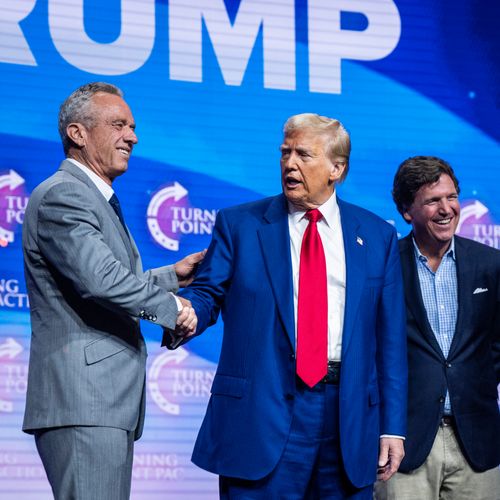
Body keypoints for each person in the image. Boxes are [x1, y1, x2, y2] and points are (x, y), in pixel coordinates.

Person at [171, 113, 407, 498]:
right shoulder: (239, 225)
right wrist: (186, 312)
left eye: (303, 155)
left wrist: (392, 426)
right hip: (260, 413)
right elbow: (207, 293)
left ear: (337, 168)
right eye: (285, 153)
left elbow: (391, 340)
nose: (290, 164)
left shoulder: (377, 236)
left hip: (347, 417)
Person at [22, 82, 202, 499]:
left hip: (101, 403)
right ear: (78, 133)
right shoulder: (64, 195)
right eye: (118, 124)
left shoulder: (94, 197)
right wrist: (174, 308)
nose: (132, 137)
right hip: (83, 401)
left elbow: (100, 277)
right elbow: (101, 281)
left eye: (133, 126)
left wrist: (173, 276)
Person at [375, 156, 500, 500]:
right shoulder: (384, 267)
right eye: (432, 201)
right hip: (405, 445)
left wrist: (474, 382)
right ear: (406, 211)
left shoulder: (490, 264)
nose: (447, 209)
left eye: (451, 197)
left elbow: (496, 344)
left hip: (477, 442)